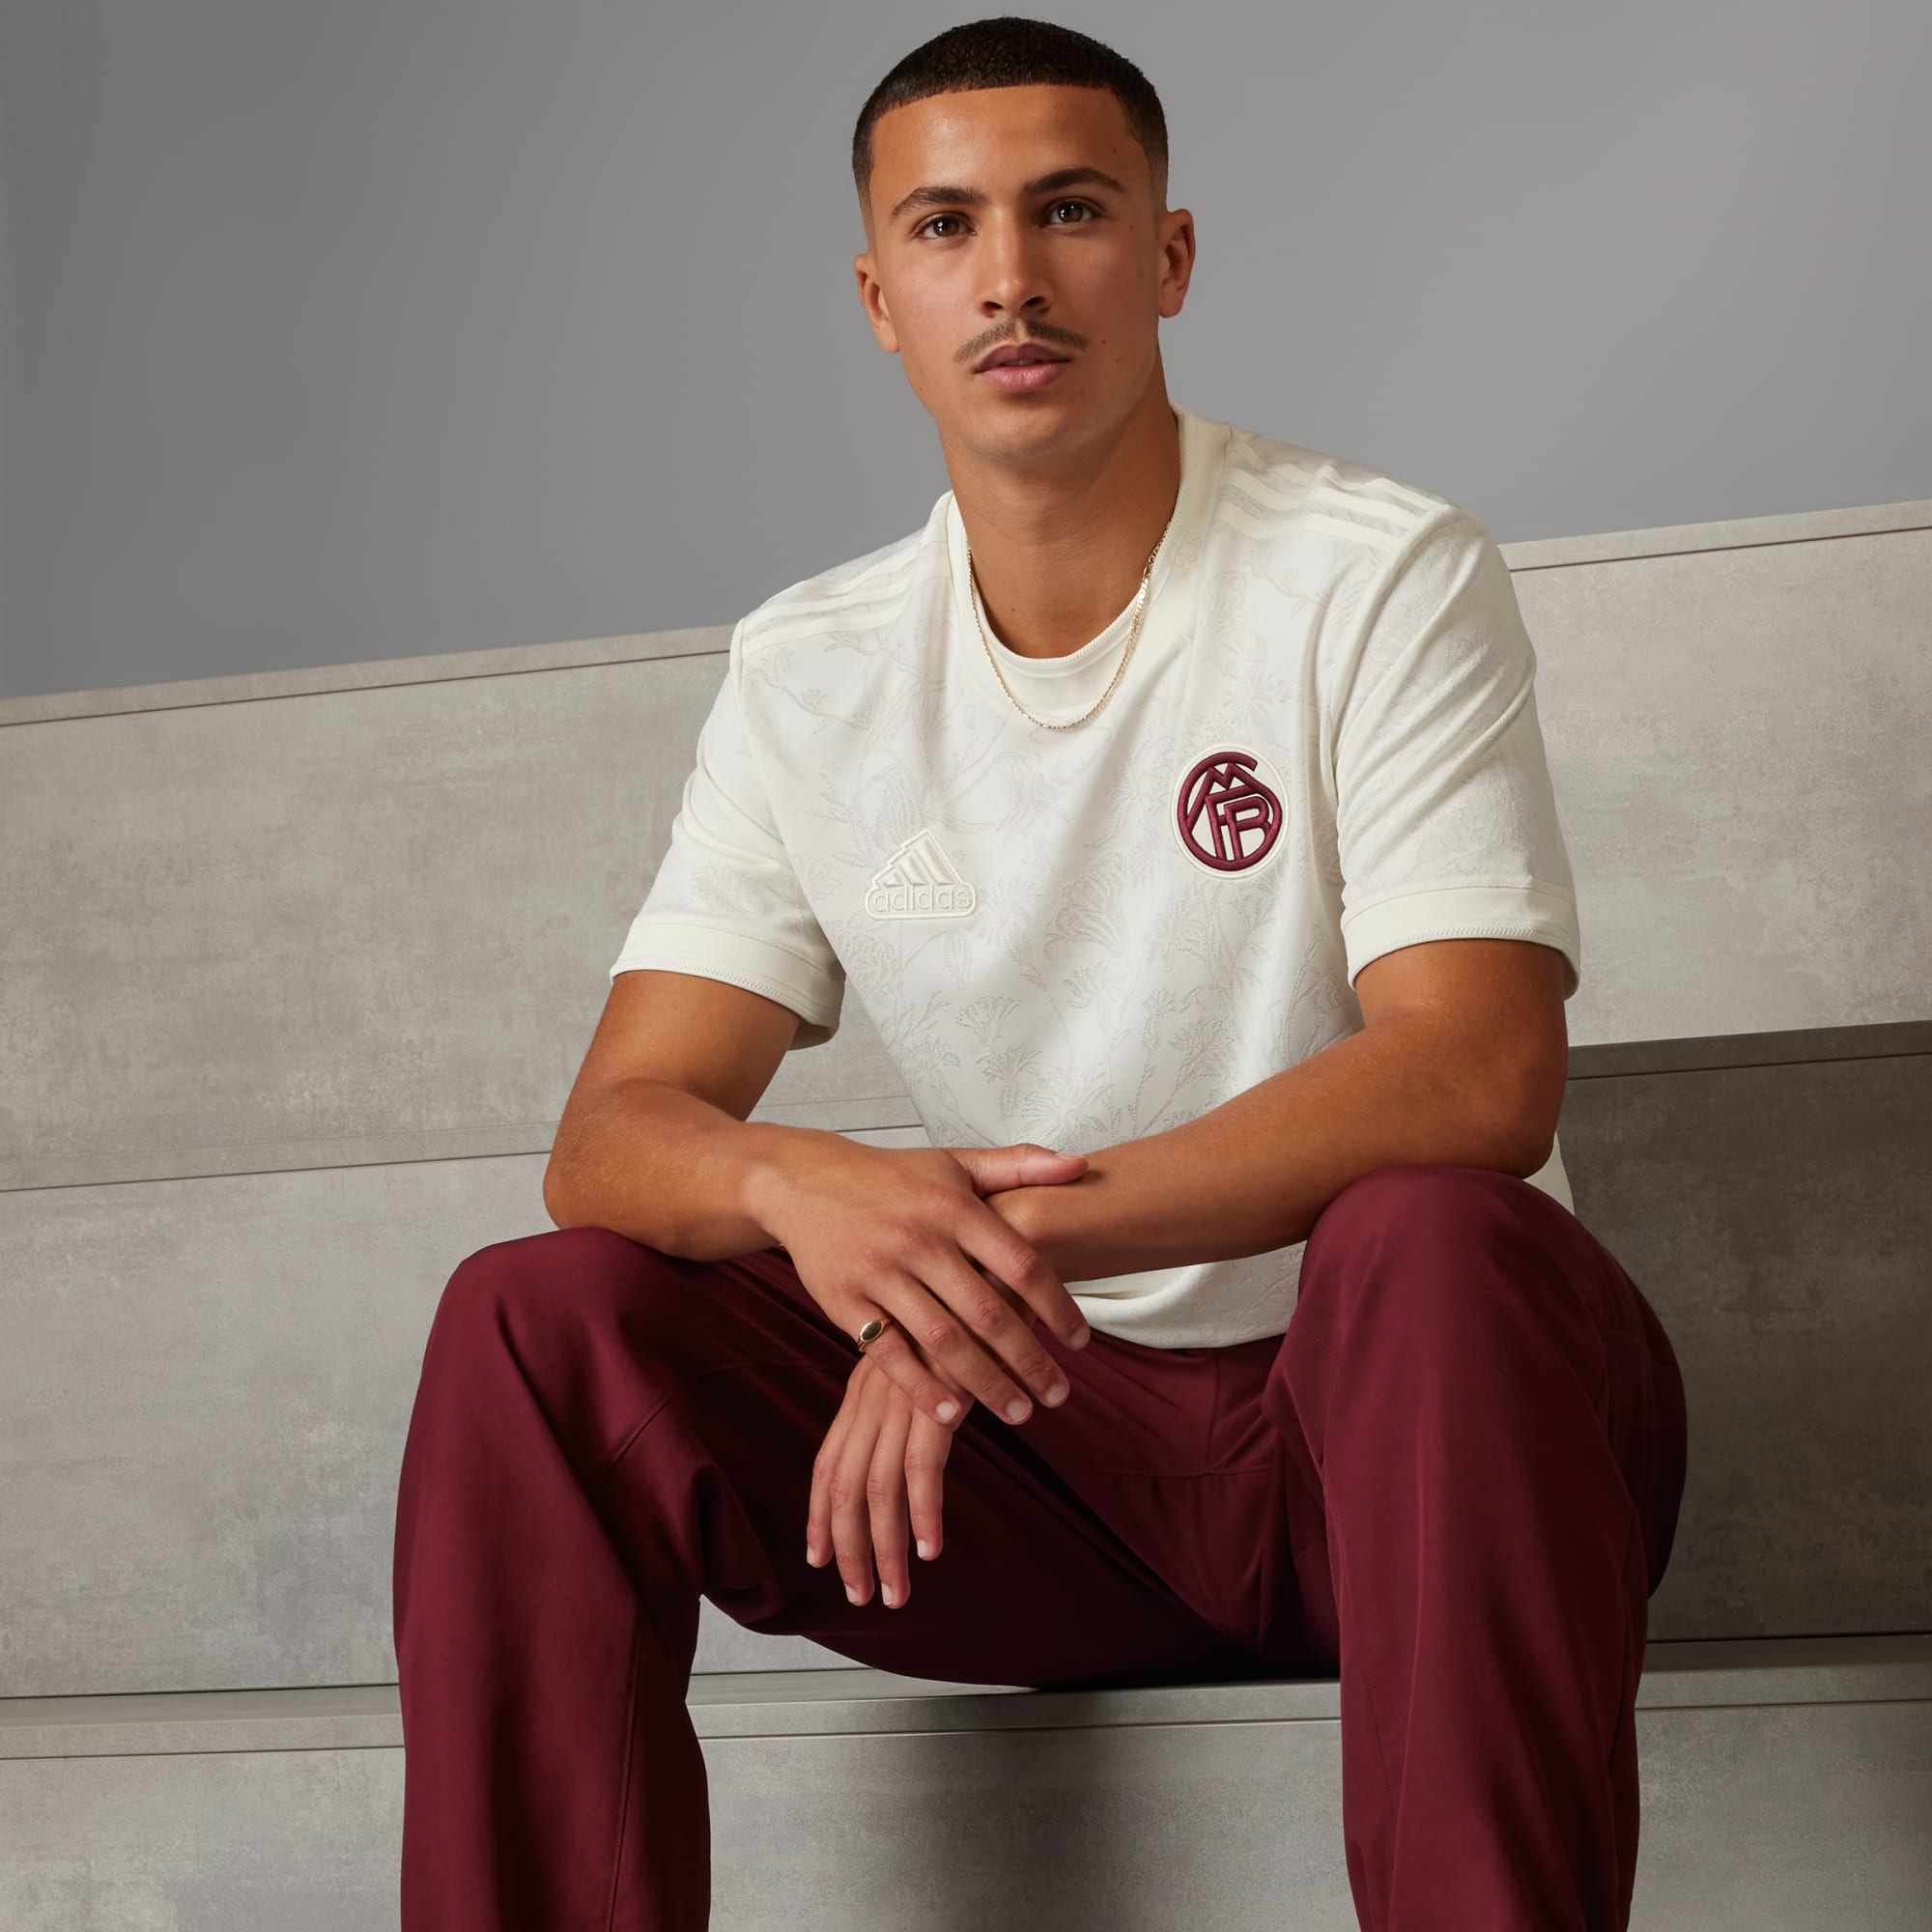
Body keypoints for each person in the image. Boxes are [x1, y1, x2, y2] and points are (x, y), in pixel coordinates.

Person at [391, 16, 1688, 1930]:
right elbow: (612, 1140)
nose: (1008, 276)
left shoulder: (1376, 572)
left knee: (1432, 1236)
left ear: (1166, 257)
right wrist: (810, 1192)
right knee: (534, 1316)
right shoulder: (811, 667)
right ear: (878, 297)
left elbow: (1475, 1075)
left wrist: (971, 1265)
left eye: (1068, 211)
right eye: (944, 227)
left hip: (1418, 1455)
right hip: (1032, 1477)